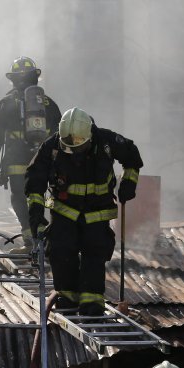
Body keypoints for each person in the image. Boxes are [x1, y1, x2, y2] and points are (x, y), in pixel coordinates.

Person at [24, 107, 143, 316]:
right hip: (64, 211)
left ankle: (92, 303)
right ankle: (67, 298)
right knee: (61, 251)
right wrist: (36, 216)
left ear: (89, 136)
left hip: (97, 213)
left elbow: (132, 155)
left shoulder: (106, 141)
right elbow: (34, 180)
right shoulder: (52, 146)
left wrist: (129, 182)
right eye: (67, 146)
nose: (72, 152)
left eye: (77, 146)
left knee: (94, 254)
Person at [0, 56, 62, 251]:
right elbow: (60, 133)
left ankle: (30, 235)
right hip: (42, 160)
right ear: (35, 77)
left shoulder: (6, 103)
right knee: (40, 195)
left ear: (13, 79)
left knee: (19, 196)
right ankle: (44, 232)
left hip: (15, 159)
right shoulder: (49, 104)